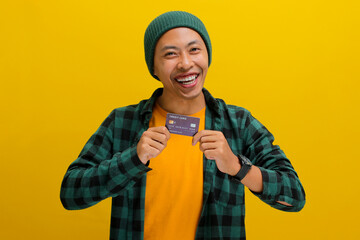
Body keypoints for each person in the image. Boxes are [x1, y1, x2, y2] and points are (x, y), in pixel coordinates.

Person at [60, 11, 306, 240]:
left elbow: (294, 196)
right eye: (170, 54)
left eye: (194, 50)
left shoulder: (239, 123)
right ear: (154, 68)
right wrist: (133, 158)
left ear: (207, 55)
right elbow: (71, 194)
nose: (186, 63)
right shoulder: (122, 122)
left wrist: (236, 167)